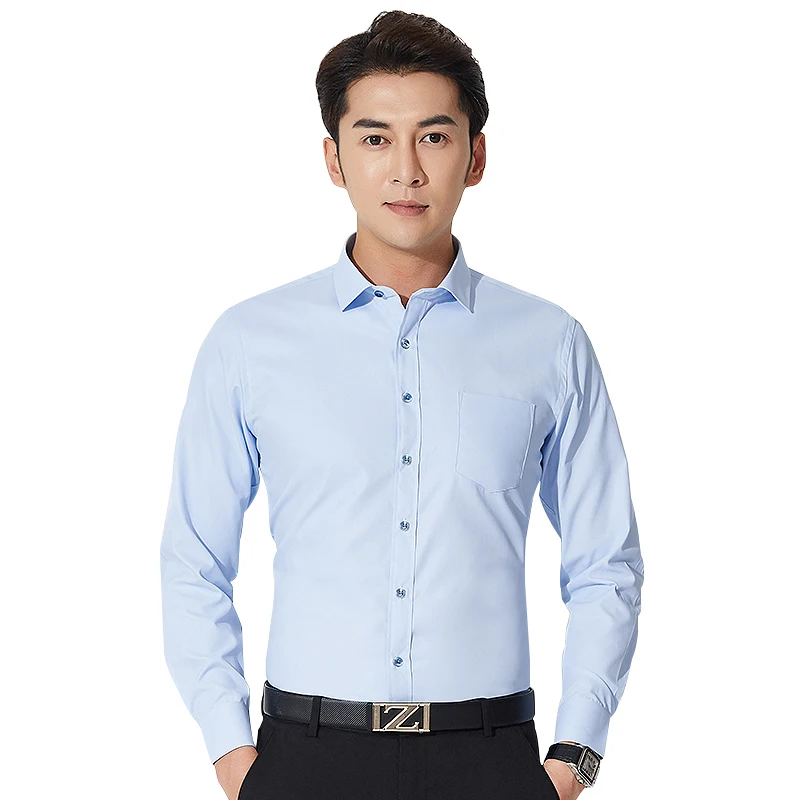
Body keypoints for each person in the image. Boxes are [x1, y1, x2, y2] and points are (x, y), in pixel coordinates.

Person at [160, 10, 644, 800]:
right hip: (305, 758)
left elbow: (606, 564)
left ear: (475, 156)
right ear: (334, 158)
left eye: (435, 137)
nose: (406, 171)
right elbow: (194, 561)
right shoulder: (249, 342)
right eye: (376, 138)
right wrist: (232, 754)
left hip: (490, 759)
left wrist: (575, 757)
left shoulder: (549, 343)